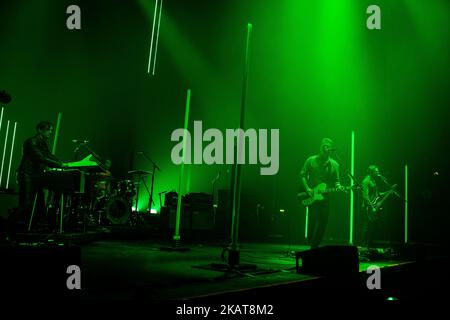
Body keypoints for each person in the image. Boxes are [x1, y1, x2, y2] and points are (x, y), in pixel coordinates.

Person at [13, 121, 66, 232]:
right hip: (27, 175)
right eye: (48, 129)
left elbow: (49, 155)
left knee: (40, 205)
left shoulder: (42, 143)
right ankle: (7, 229)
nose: (51, 132)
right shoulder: (31, 142)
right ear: (40, 130)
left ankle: (31, 229)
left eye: (51, 130)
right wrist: (60, 165)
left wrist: (64, 164)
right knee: (25, 204)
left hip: (36, 176)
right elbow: (41, 157)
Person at [300, 138, 343, 249]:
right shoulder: (311, 160)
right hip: (312, 195)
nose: (325, 148)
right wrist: (307, 189)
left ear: (330, 149)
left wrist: (339, 187)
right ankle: (310, 239)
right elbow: (302, 175)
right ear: (320, 147)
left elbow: (337, 181)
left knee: (323, 222)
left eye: (327, 146)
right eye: (323, 146)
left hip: (325, 197)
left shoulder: (335, 164)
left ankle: (314, 247)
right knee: (313, 218)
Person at [361, 165, 382, 249]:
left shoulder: (373, 180)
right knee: (366, 227)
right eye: (376, 171)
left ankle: (369, 246)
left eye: (378, 171)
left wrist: (389, 191)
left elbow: (376, 194)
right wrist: (371, 206)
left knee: (372, 227)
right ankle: (362, 245)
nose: (378, 173)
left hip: (373, 206)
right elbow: (365, 196)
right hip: (367, 207)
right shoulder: (366, 181)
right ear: (371, 172)